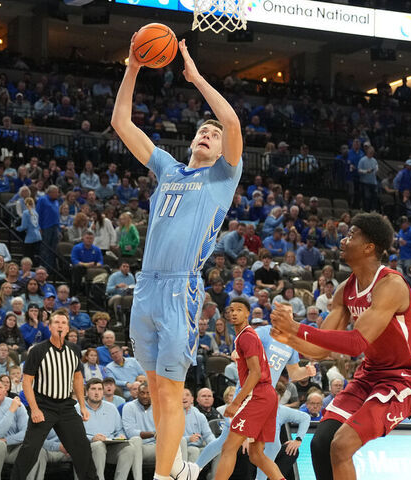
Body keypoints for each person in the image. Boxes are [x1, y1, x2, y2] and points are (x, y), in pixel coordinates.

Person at [112, 36, 243, 480]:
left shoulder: (223, 177)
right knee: (155, 392)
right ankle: (176, 470)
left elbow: (230, 118)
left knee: (171, 395)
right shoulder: (169, 168)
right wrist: (132, 66)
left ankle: (164, 476)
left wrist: (195, 76)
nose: (208, 133)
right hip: (146, 288)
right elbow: (121, 122)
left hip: (180, 289)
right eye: (203, 131)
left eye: (215, 134)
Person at [270, 213, 411, 480]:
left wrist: (296, 328)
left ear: (369, 247)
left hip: (402, 379)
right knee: (321, 444)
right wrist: (287, 338)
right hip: (369, 375)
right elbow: (320, 350)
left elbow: (355, 344)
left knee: (342, 445)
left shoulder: (391, 285)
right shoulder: (345, 289)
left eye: (350, 235)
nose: (343, 240)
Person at [10, 309, 98, 480]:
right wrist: (34, 409)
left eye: (64, 323)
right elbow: (26, 382)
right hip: (43, 405)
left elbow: (78, 378)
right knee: (30, 450)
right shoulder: (38, 350)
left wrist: (82, 405)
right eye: (56, 322)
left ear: (67, 329)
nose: (60, 325)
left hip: (66, 406)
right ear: (50, 327)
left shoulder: (74, 349)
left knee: (82, 450)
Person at [213, 298, 285, 480]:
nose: (234, 313)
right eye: (231, 310)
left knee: (229, 447)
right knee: (256, 454)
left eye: (239, 309)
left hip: (259, 394)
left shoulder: (246, 336)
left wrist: (235, 403)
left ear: (248, 314)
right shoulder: (244, 336)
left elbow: (255, 373)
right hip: (267, 394)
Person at [0, 377, 47, 480]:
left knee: (36, 449)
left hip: (15, 447)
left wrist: (6, 440)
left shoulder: (18, 404)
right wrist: (11, 410)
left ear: (5, 389)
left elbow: (26, 432)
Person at [81, 378, 138, 480]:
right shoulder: (78, 408)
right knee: (98, 446)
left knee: (129, 449)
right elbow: (75, 435)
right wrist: (92, 438)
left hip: (110, 446)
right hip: (88, 447)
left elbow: (119, 430)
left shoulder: (111, 408)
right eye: (93, 389)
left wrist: (121, 436)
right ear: (86, 392)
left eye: (99, 389)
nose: (97, 393)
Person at [122, 382, 157, 469]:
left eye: (148, 393)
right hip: (139, 446)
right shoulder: (129, 407)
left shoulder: (159, 407)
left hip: (157, 446)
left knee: (180, 441)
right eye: (142, 393)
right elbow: (131, 433)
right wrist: (153, 434)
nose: (145, 396)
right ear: (137, 394)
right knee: (136, 440)